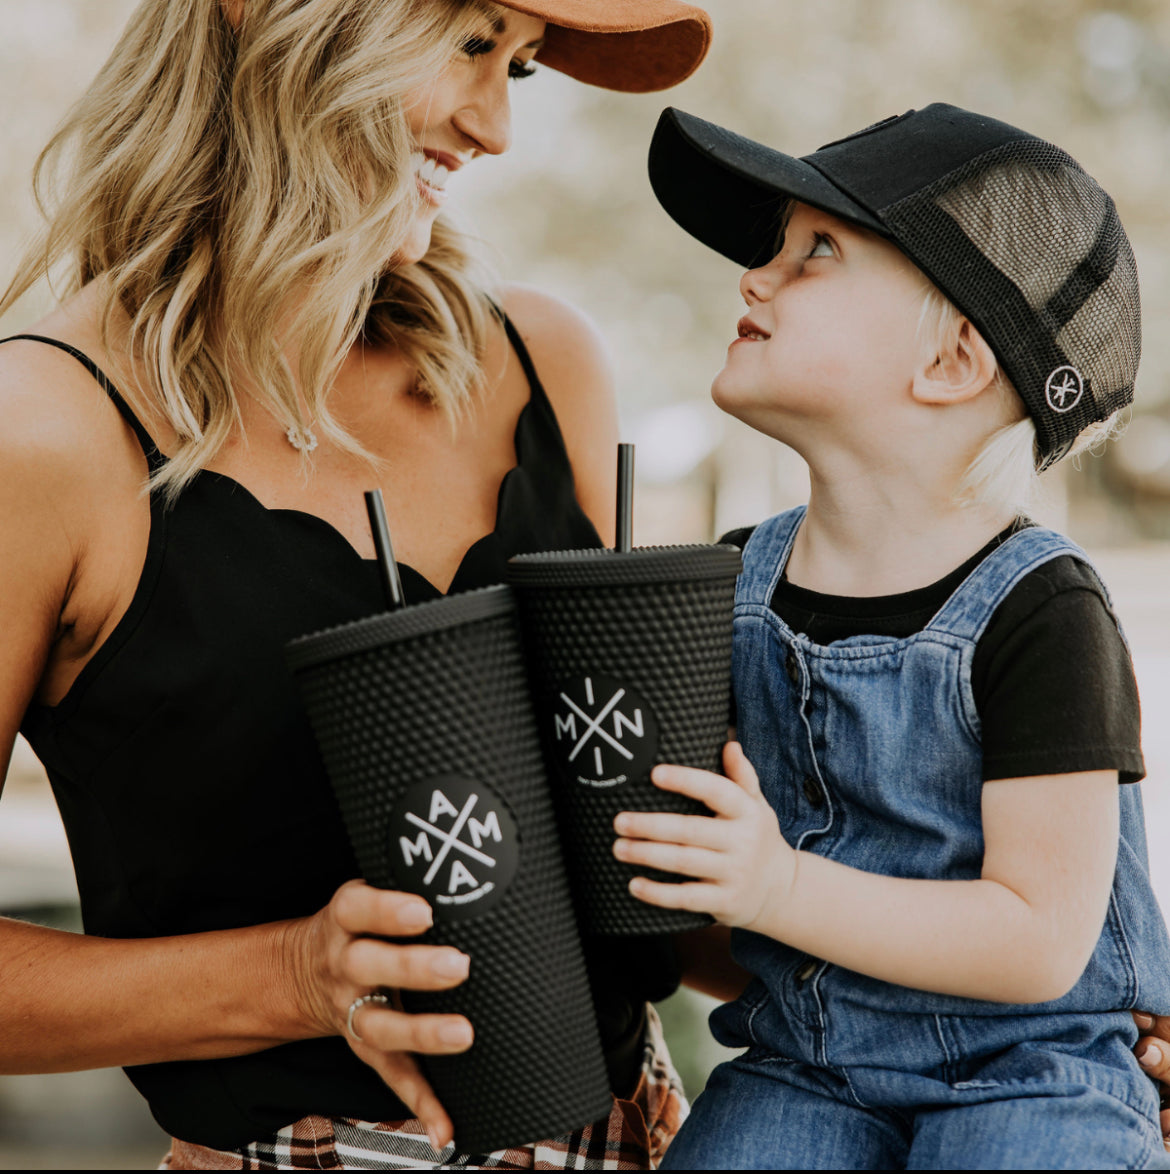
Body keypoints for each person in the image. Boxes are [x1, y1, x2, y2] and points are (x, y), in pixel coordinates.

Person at [0, 2, 720, 1169]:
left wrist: (1050, 1012)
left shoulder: (541, 363)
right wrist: (294, 976)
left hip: (644, 1138)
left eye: (522, 71)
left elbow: (669, 912)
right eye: (474, 43)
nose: (495, 127)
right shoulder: (43, 438)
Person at [614, 104, 1170, 1168]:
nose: (754, 278)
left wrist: (777, 886)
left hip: (1033, 1072)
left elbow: (1038, 939)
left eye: (815, 250)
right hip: (806, 1063)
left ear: (954, 361)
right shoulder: (728, 583)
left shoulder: (1041, 611)